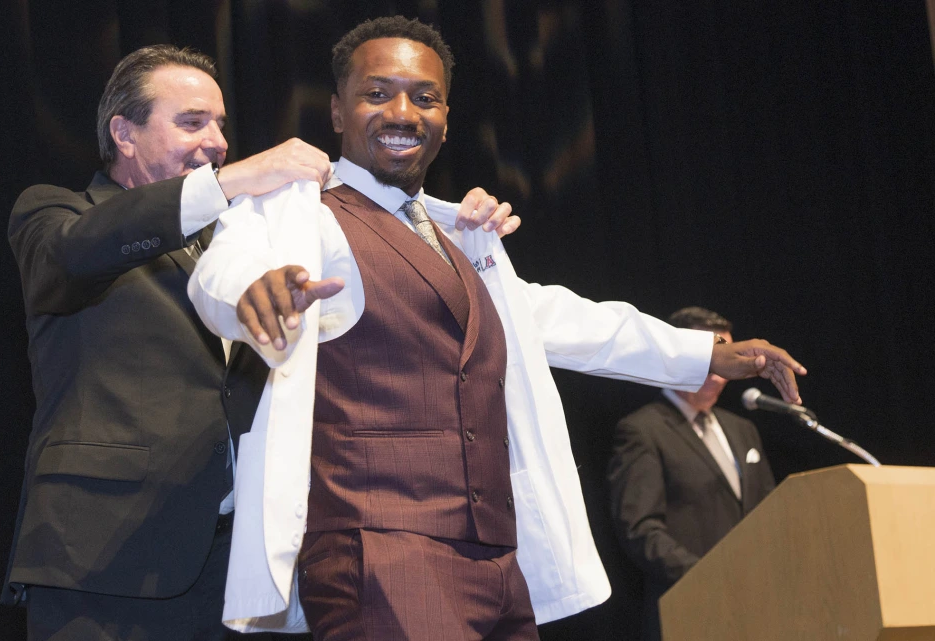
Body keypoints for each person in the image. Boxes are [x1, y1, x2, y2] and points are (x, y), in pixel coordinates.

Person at [188, 16, 806, 641]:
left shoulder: (453, 233)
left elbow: (565, 320)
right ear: (338, 113)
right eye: (377, 93)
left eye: (424, 98)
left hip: (495, 559)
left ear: (446, 119)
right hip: (376, 549)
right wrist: (248, 293)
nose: (402, 111)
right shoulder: (302, 213)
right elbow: (223, 267)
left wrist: (704, 354)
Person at [1, 43, 514, 641]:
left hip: (243, 564)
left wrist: (453, 225)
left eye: (220, 125)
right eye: (192, 123)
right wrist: (230, 181)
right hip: (104, 559)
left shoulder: (248, 234)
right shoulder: (56, 213)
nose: (216, 141)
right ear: (124, 133)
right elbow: (75, 252)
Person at [608, 307, 777, 641]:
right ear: (681, 356)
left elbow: (770, 512)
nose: (718, 374)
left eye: (727, 359)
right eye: (712, 359)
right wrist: (709, 576)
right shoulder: (643, 430)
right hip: (688, 608)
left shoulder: (743, 430)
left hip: (758, 607)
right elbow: (639, 530)